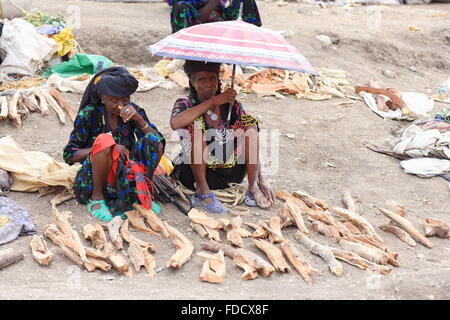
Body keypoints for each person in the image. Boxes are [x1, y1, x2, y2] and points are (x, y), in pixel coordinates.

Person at [170, 60, 275, 214]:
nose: (208, 84)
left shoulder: (231, 105)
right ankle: (203, 192)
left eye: (212, 78)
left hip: (231, 172)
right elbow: (175, 123)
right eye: (202, 79)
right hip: (196, 174)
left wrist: (262, 177)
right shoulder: (185, 103)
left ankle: (252, 187)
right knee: (197, 128)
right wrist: (213, 101)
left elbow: (251, 138)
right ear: (192, 82)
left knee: (250, 126)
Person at [63, 67, 166, 222]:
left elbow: (157, 142)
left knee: (154, 140)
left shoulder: (133, 112)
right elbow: (70, 154)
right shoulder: (89, 114)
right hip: (98, 176)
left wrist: (139, 119)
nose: (120, 105)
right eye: (114, 100)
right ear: (102, 97)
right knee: (104, 140)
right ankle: (97, 199)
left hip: (127, 174)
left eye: (125, 100)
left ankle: (141, 192)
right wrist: (108, 148)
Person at [169, 0, 262, 33]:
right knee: (181, 6)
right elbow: (198, 19)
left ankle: (249, 41)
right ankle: (183, 54)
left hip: (219, 19)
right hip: (195, 26)